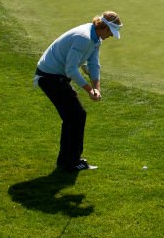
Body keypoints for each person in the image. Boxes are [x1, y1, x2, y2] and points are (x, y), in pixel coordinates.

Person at [34, 11, 122, 171]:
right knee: (75, 115)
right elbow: (71, 70)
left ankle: (68, 160)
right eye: (110, 32)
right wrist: (89, 90)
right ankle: (70, 161)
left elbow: (94, 65)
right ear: (103, 27)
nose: (110, 36)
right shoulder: (84, 38)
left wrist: (97, 88)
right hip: (49, 77)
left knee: (75, 116)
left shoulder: (96, 39)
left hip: (57, 77)